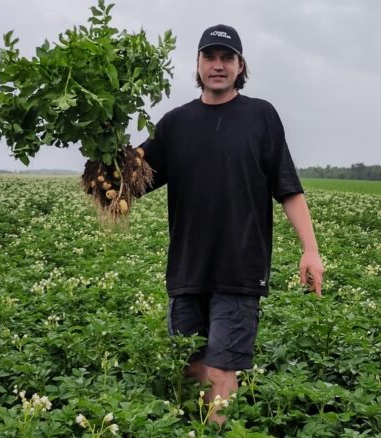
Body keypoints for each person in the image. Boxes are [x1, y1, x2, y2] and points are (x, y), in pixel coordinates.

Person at [139, 24, 324, 425]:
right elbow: (128, 181)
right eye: (210, 57)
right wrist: (98, 142)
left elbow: (288, 188)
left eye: (227, 58)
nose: (218, 65)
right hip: (187, 269)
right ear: (198, 64)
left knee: (222, 372)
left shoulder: (261, 116)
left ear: (241, 66)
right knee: (192, 371)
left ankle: (216, 433)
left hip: (240, 270)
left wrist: (310, 250)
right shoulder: (174, 123)